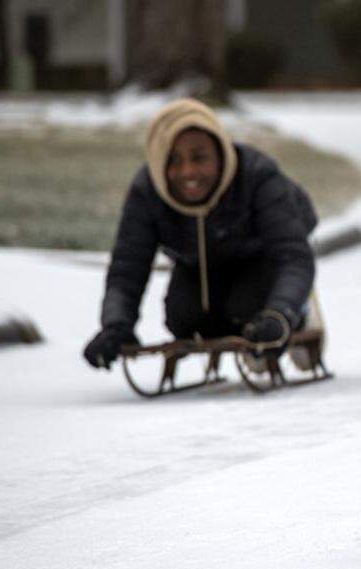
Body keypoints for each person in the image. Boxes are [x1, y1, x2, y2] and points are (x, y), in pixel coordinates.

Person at [83, 98, 317, 370]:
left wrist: (280, 313)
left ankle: (298, 311)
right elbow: (127, 268)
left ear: (220, 155)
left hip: (259, 256)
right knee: (183, 320)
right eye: (174, 160)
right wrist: (115, 325)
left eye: (200, 157)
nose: (188, 172)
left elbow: (293, 256)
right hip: (199, 262)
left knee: (247, 308)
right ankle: (248, 324)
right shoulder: (147, 192)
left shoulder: (257, 175)